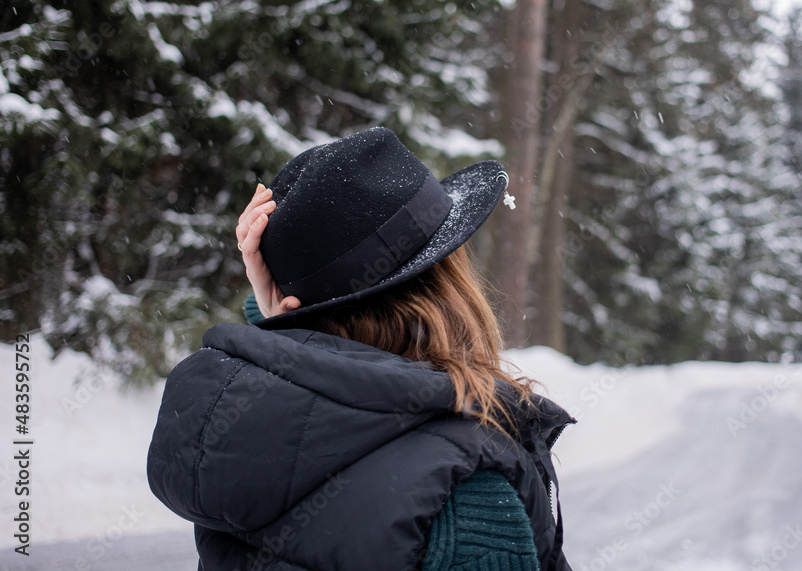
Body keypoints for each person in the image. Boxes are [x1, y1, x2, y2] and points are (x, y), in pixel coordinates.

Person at [146, 126, 575, 571]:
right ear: (451, 283)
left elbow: (311, 364)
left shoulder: (245, 448)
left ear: (294, 309)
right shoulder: (465, 488)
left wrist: (282, 318)